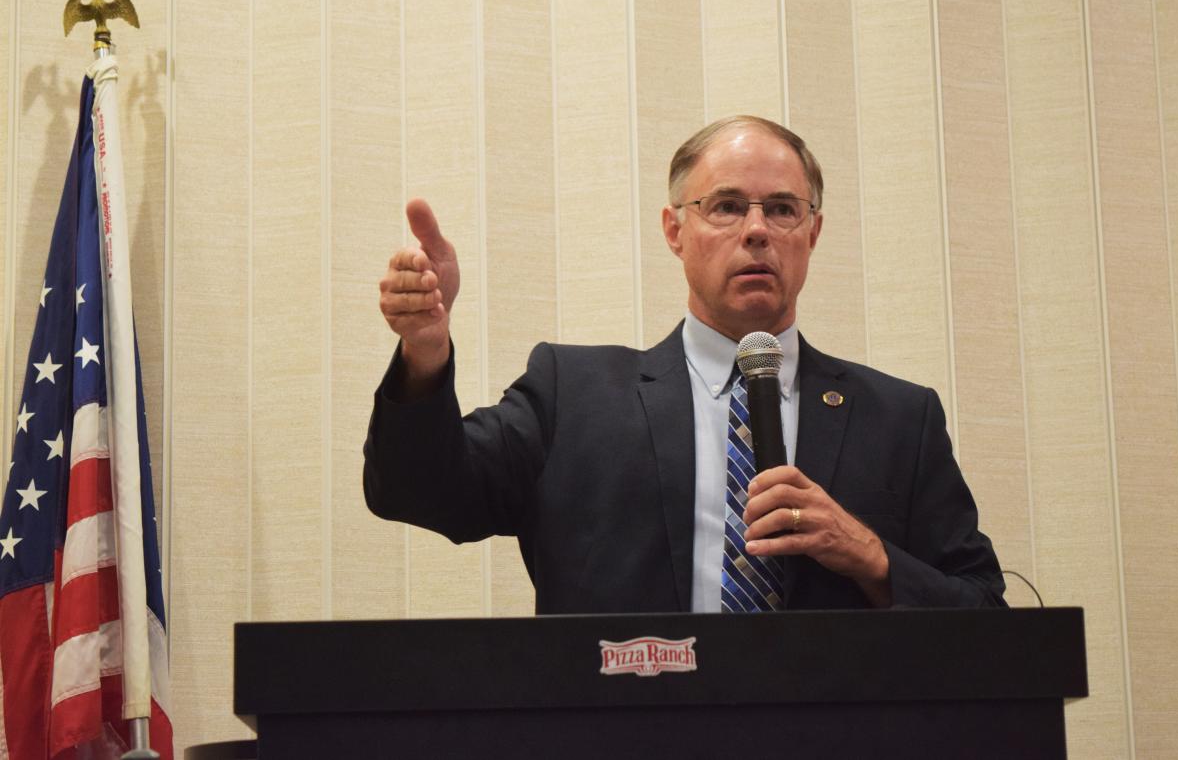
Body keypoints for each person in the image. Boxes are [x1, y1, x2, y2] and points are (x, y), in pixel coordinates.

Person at [364, 115, 1005, 614]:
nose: (757, 230)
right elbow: (418, 492)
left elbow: (985, 612)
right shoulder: (574, 397)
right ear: (675, 231)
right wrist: (425, 351)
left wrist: (869, 556)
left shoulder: (898, 418)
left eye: (782, 209)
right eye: (726, 206)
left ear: (812, 233)